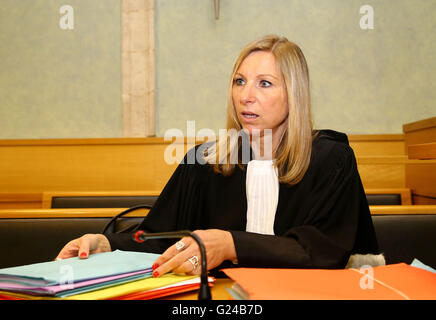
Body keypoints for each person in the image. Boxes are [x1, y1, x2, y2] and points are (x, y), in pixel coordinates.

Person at [56, 35, 381, 278]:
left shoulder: (330, 160)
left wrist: (229, 244)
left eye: (264, 84)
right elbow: (160, 238)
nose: (246, 95)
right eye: (239, 81)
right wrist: (107, 245)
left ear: (294, 94)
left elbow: (323, 252)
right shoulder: (204, 162)